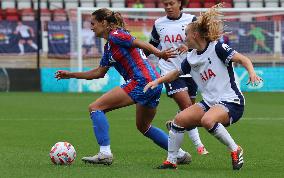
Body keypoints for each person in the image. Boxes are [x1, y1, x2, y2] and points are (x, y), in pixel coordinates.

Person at [55, 8, 191, 165]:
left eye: (93, 23)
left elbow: (139, 42)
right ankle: (179, 154)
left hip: (142, 81)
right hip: (152, 82)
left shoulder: (116, 35)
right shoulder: (108, 47)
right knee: (143, 126)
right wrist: (70, 74)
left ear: (104, 23)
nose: (91, 27)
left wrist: (159, 53)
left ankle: (105, 153)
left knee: (96, 108)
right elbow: (99, 73)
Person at [144, 4, 263, 170]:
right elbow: (176, 73)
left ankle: (235, 149)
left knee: (207, 120)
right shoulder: (191, 57)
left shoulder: (218, 47)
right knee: (179, 121)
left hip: (231, 102)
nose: (184, 38)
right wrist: (156, 81)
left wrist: (251, 73)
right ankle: (171, 161)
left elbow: (244, 59)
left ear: (195, 34)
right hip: (209, 103)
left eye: (186, 35)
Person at [145, 0, 208, 155]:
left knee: (190, 112)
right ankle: (199, 146)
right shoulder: (159, 23)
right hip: (170, 71)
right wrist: (139, 60)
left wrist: (189, 46)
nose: (167, 6)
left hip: (191, 69)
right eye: (165, 4)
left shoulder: (192, 20)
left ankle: (175, 125)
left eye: (171, 3)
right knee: (187, 107)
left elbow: (203, 42)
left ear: (180, 3)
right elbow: (151, 45)